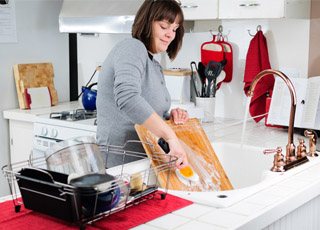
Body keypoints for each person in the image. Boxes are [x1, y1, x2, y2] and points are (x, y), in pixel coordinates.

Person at [96, 0, 189, 169]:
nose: (170, 34)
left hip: (143, 163)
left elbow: (145, 115)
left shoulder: (153, 63)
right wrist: (170, 136)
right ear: (147, 22)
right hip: (120, 165)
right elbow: (127, 97)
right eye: (164, 26)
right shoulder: (132, 47)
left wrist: (168, 116)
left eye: (174, 29)